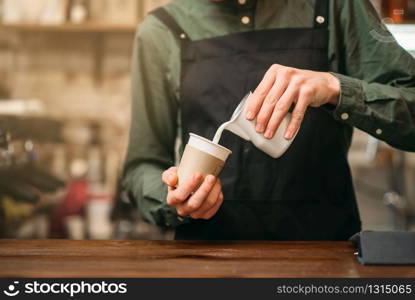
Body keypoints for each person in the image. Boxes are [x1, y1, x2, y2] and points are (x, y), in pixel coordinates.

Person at [123, 0, 415, 240]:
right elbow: (141, 166)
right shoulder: (162, 30)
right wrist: (174, 197)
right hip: (209, 260)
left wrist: (335, 89)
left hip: (324, 256)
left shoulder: (335, 7)